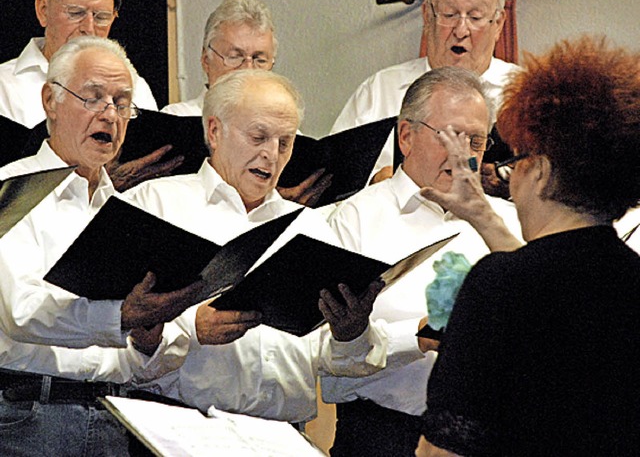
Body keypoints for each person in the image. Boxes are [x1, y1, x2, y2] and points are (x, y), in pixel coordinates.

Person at [0, 36, 258, 456]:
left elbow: (147, 362)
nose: (110, 115)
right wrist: (120, 315)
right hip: (31, 417)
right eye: (93, 97)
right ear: (50, 100)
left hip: (117, 417)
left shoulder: (124, 210)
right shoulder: (12, 190)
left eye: (122, 103)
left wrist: (148, 332)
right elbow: (21, 313)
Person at [126, 69, 425, 424]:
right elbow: (117, 339)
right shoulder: (154, 204)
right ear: (214, 131)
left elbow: (332, 362)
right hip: (179, 428)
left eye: (285, 142)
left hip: (283, 434)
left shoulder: (311, 226)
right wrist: (192, 328)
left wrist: (351, 333)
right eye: (258, 137)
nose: (272, 154)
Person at [415, 36, 640, 456]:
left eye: (514, 162)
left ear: (539, 171)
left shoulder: (499, 284)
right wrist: (483, 216)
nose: (510, 178)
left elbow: (442, 450)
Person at [322, 67, 521, 456]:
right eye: (448, 136)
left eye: (476, 140)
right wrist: (413, 337)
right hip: (382, 436)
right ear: (407, 136)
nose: (463, 154)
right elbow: (324, 356)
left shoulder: (509, 222)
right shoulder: (353, 218)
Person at [331, 0, 519, 193]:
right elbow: (332, 184)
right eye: (449, 14)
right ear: (427, 16)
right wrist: (377, 186)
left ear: (498, 23)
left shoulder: (526, 94)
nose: (461, 31)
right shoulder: (381, 90)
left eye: (475, 17)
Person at [0, 0, 180, 190]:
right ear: (43, 10)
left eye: (102, 17)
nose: (89, 28)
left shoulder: (133, 85)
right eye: (75, 14)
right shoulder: (4, 85)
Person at [163, 0, 331, 205]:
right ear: (206, 60)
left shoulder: (285, 132)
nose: (248, 69)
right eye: (235, 57)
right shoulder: (174, 119)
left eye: (260, 60)